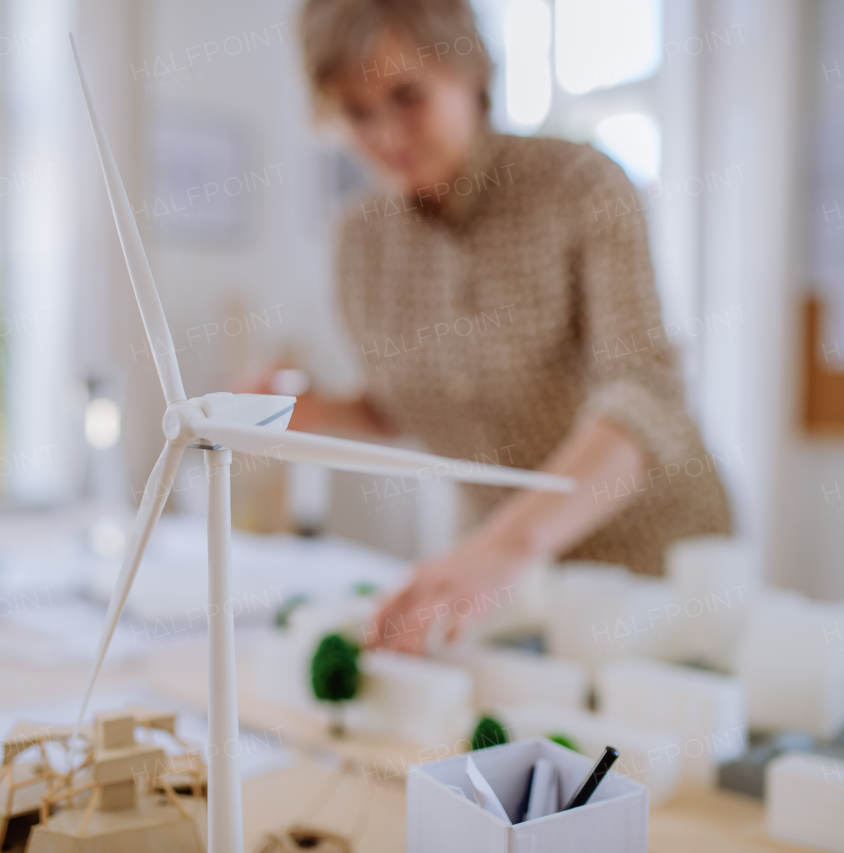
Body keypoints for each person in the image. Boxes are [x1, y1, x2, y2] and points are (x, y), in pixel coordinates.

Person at [273, 0, 731, 653]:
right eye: (357, 111)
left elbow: (647, 394)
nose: (386, 134)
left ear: (468, 67)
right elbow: (396, 407)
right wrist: (304, 408)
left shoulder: (580, 185)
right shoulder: (356, 243)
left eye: (407, 96)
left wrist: (505, 545)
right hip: (510, 584)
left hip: (653, 560)